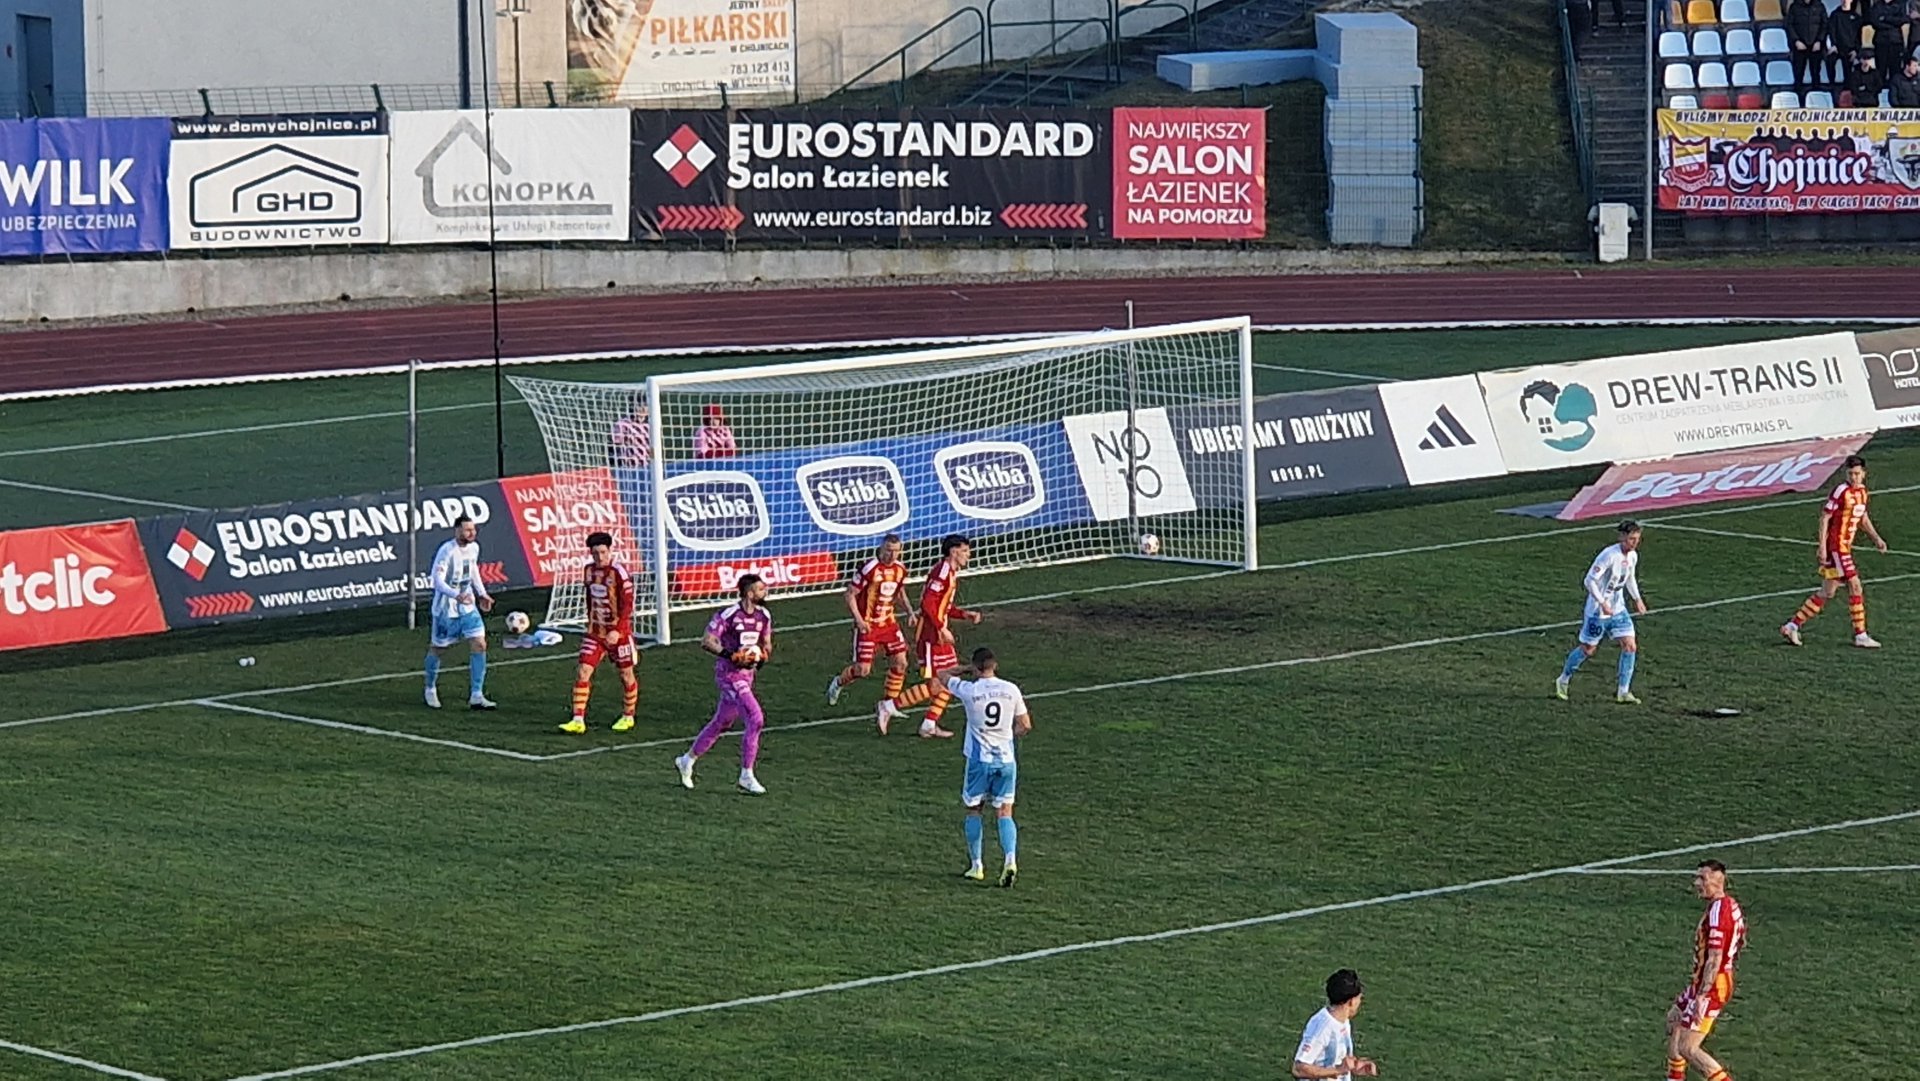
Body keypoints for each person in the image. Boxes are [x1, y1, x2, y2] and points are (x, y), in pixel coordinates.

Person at [876, 534, 984, 739]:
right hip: (930, 636)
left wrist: (964, 614)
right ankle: (888, 706)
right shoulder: (942, 571)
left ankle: (929, 724)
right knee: (937, 684)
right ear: (953, 551)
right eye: (965, 551)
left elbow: (942, 606)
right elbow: (927, 603)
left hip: (937, 634)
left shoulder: (950, 572)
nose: (968, 555)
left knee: (951, 679)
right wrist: (941, 628)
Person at [938, 647, 1030, 886]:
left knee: (974, 809)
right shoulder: (1011, 689)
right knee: (1005, 811)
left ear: (976, 667)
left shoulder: (970, 690)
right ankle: (1010, 860)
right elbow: (1025, 725)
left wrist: (965, 668)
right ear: (995, 665)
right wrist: (1008, 736)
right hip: (1006, 760)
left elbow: (942, 674)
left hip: (980, 761)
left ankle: (977, 865)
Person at [675, 574, 774, 795]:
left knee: (722, 722)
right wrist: (731, 655)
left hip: (747, 676)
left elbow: (767, 645)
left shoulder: (764, 615)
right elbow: (707, 640)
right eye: (760, 589)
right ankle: (746, 775)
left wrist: (760, 657)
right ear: (749, 593)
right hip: (729, 675)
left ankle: (687, 760)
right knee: (756, 718)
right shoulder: (729, 615)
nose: (765, 592)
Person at [1781, 454, 1888, 648]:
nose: (1853, 477)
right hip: (1837, 547)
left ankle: (1792, 626)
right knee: (1855, 585)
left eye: (1857, 474)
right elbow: (1825, 517)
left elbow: (1862, 518)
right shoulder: (1841, 491)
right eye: (1850, 474)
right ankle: (1861, 635)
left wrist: (1876, 538)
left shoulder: (1862, 492)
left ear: (1864, 474)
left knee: (1827, 592)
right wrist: (1822, 546)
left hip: (1844, 547)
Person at [1664, 860, 1747, 1081]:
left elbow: (1715, 957)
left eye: (1702, 878)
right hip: (1703, 982)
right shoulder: (1730, 905)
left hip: (1712, 985)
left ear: (1718, 880)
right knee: (1674, 1021)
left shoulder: (1719, 912)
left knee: (1688, 1048)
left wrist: (1702, 995)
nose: (1696, 883)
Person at [1555, 520, 1647, 704]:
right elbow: (1589, 581)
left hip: (1618, 609)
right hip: (1598, 612)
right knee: (1588, 649)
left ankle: (1623, 691)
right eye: (1631, 539)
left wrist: (1637, 599)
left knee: (1630, 646)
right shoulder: (1608, 555)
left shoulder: (1632, 556)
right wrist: (1603, 603)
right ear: (1621, 537)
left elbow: (1629, 578)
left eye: (1637, 539)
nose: (1635, 543)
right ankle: (1563, 679)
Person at [560, 531, 639, 734]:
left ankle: (628, 716)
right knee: (583, 671)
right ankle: (578, 719)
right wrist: (591, 622)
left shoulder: (619, 573)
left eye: (603, 552)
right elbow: (589, 598)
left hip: (619, 635)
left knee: (626, 675)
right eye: (595, 553)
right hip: (595, 633)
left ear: (610, 551)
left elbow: (628, 605)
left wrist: (618, 630)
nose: (599, 557)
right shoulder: (588, 571)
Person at [825, 534, 914, 710]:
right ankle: (838, 682)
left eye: (896, 551)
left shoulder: (900, 569)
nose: (892, 555)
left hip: (889, 624)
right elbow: (850, 594)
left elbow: (899, 592)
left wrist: (910, 611)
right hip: (868, 626)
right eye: (889, 550)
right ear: (881, 549)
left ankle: (887, 706)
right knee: (862, 670)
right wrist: (859, 620)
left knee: (901, 663)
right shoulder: (869, 568)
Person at [424, 514, 496, 711]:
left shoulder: (474, 548)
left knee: (479, 644)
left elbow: (473, 570)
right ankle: (430, 688)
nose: (472, 533)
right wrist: (455, 595)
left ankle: (476, 695)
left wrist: (482, 593)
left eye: (473, 529)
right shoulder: (446, 551)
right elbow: (437, 581)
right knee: (438, 648)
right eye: (467, 530)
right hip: (446, 608)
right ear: (457, 531)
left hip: (468, 606)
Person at [1292, 969, 1379, 1079]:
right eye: (1359, 998)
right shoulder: (1323, 1026)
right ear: (1351, 1001)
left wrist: (1355, 1066)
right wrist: (1338, 1071)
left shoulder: (1343, 1021)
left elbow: (1336, 1062)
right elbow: (1299, 1068)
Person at [1789, 0, 1831, 92]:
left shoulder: (1820, 6)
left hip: (1816, 46)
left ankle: (1816, 96)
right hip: (1799, 46)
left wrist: (1819, 40)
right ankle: (1798, 97)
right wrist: (1796, 40)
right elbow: (1789, 25)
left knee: (1816, 74)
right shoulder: (1794, 7)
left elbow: (1825, 25)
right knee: (1798, 75)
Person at [1828, 0, 1866, 88]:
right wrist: (1833, 45)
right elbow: (1831, 31)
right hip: (1837, 48)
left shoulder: (1856, 18)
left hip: (1850, 49)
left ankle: (1848, 88)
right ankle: (1831, 86)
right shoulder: (1835, 15)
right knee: (1830, 60)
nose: (1845, 1)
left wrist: (1856, 50)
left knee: (1850, 67)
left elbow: (1859, 37)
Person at [1869, 0, 1908, 78]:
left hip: (1896, 41)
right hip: (1881, 42)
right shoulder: (1877, 5)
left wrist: (1885, 18)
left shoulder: (1899, 4)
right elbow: (1874, 22)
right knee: (1880, 70)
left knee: (1895, 70)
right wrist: (1892, 23)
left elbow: (1903, 20)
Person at [610, 398, 651, 469]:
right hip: (630, 468)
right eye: (639, 405)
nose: (643, 408)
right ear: (633, 406)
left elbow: (652, 448)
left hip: (648, 466)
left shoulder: (650, 425)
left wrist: (653, 460)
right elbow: (614, 447)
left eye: (645, 405)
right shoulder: (623, 424)